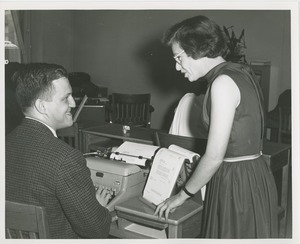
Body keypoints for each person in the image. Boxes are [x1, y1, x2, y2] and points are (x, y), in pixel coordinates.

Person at [154, 15, 278, 238]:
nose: (176, 66)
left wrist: (181, 195)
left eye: (179, 58)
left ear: (197, 49)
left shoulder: (221, 83)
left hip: (236, 179)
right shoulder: (241, 72)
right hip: (255, 173)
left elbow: (213, 157)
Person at [5, 63, 112, 238]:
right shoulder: (66, 159)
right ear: (42, 106)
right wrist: (98, 207)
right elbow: (97, 232)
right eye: (66, 98)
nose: (73, 102)